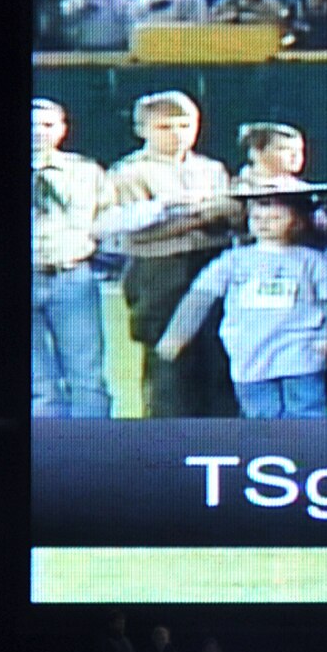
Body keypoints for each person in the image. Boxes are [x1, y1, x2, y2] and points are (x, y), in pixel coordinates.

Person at [95, 91, 243, 417]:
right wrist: (201, 217)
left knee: (218, 352)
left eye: (184, 124)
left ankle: (224, 435)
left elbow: (233, 212)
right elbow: (132, 229)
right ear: (143, 129)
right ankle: (167, 436)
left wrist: (205, 217)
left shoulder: (211, 169)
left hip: (211, 261)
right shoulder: (130, 173)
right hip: (158, 270)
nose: (177, 133)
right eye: (164, 126)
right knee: (169, 355)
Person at [156, 189, 327, 419]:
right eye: (258, 219)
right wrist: (177, 334)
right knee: (260, 419)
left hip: (301, 354)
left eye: (275, 219)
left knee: (307, 415)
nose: (265, 225)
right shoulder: (234, 261)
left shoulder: (312, 262)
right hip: (249, 355)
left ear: (297, 222)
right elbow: (201, 296)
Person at [31, 99, 115, 418]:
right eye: (32, 125)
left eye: (48, 125)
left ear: (63, 130)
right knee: (38, 381)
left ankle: (95, 453)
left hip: (72, 279)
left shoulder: (85, 171)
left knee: (87, 375)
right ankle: (46, 456)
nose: (39, 132)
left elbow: (109, 219)